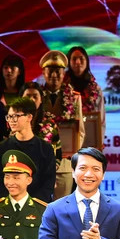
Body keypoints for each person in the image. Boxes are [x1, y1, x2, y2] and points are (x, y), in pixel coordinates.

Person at [0, 98, 58, 202]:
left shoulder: (45, 149)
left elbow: (48, 184)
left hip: (36, 207)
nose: (11, 120)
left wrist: (29, 205)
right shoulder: (1, 149)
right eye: (9, 116)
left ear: (29, 117)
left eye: (16, 116)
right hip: (7, 206)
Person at [39, 50, 84, 199]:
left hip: (65, 163)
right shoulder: (36, 95)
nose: (54, 75)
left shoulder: (73, 97)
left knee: (61, 208)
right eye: (50, 71)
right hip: (40, 161)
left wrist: (73, 153)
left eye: (58, 71)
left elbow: (80, 131)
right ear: (43, 73)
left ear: (64, 73)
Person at [65, 46, 105, 148]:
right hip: (68, 138)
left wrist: (99, 140)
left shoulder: (95, 89)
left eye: (81, 59)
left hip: (90, 138)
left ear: (87, 61)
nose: (78, 62)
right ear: (69, 62)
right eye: (74, 59)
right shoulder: (62, 87)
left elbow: (101, 119)